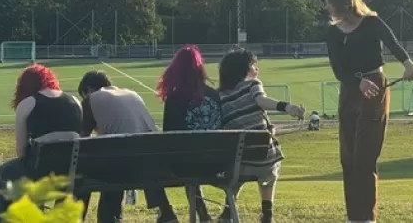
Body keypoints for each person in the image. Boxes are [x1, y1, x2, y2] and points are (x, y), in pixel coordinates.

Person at [324, 0, 413, 223]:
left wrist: (408, 64)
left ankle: (366, 217)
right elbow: (338, 70)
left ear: (342, 1)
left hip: (375, 86)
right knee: (349, 157)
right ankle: (353, 217)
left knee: (365, 156)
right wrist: (358, 83)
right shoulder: (333, 33)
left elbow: (392, 43)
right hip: (350, 91)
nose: (330, 8)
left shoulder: (371, 22)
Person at [77, 70, 179, 223]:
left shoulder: (91, 99)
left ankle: (100, 217)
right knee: (125, 154)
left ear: (88, 90)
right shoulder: (132, 94)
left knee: (90, 169)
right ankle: (166, 212)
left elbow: (83, 140)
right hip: (151, 165)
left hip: (121, 165)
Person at [217, 49, 305, 223]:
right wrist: (286, 107)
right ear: (245, 69)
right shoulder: (252, 84)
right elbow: (261, 101)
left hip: (238, 163)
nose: (257, 69)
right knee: (270, 166)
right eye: (253, 65)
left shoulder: (220, 96)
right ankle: (267, 213)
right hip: (264, 161)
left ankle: (228, 210)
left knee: (236, 174)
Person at [0, 64, 82, 223]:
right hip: (71, 170)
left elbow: (22, 151)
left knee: (3, 172)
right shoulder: (75, 101)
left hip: (40, 169)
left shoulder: (27, 104)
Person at [157, 45, 222, 222]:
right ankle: (202, 213)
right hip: (216, 163)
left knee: (156, 165)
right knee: (191, 157)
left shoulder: (175, 99)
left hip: (186, 163)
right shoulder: (214, 95)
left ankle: (167, 214)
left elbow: (169, 136)